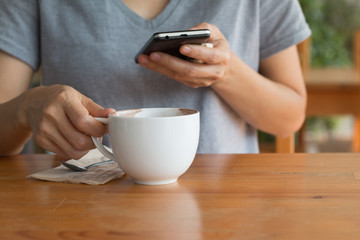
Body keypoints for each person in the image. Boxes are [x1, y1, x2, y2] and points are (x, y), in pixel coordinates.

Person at [0, 0, 310, 159]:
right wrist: (29, 105)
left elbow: (289, 117)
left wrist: (227, 73)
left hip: (226, 212)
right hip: (79, 208)